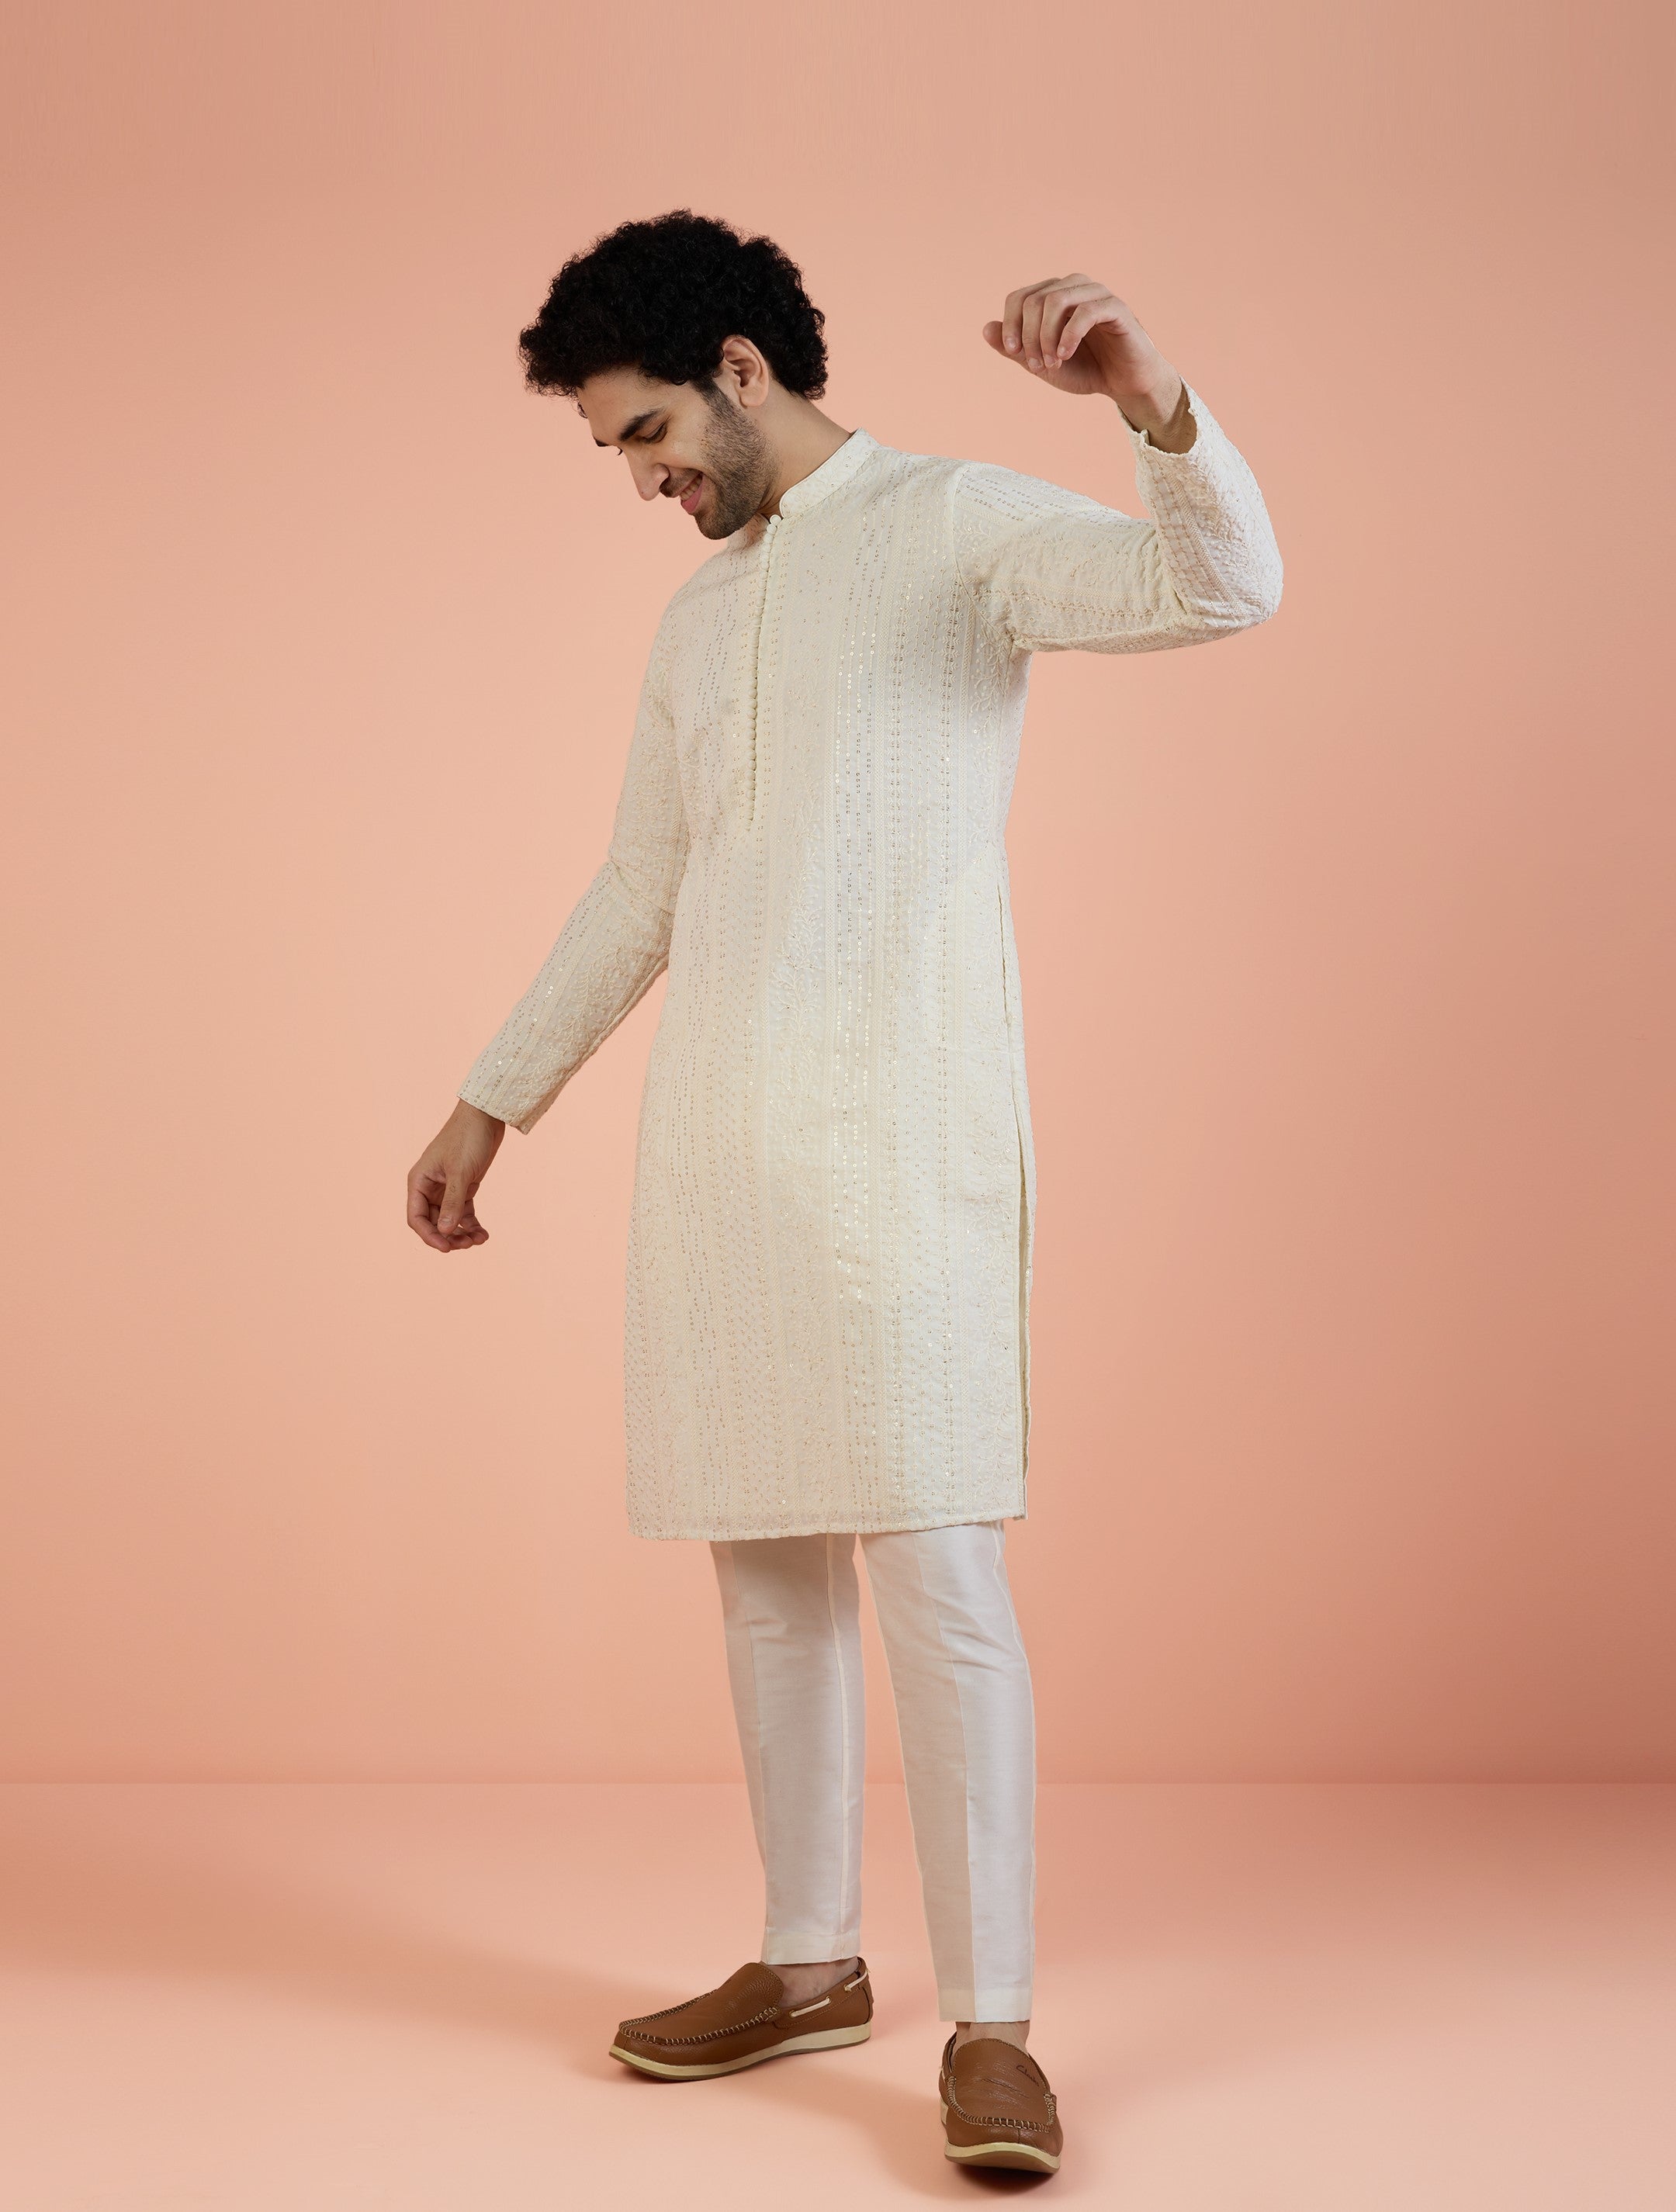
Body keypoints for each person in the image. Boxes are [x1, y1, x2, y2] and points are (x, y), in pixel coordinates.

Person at [406, 209, 1282, 2176]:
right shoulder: (696, 622)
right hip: (721, 1149)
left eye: (646, 433)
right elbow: (642, 886)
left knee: (939, 1574)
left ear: (738, 368)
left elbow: (1221, 584)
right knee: (763, 1572)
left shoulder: (954, 525)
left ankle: (996, 2024)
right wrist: (492, 1099)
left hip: (903, 1140)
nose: (642, 480)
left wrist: (1149, 398)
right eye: (615, 453)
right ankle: (808, 1960)